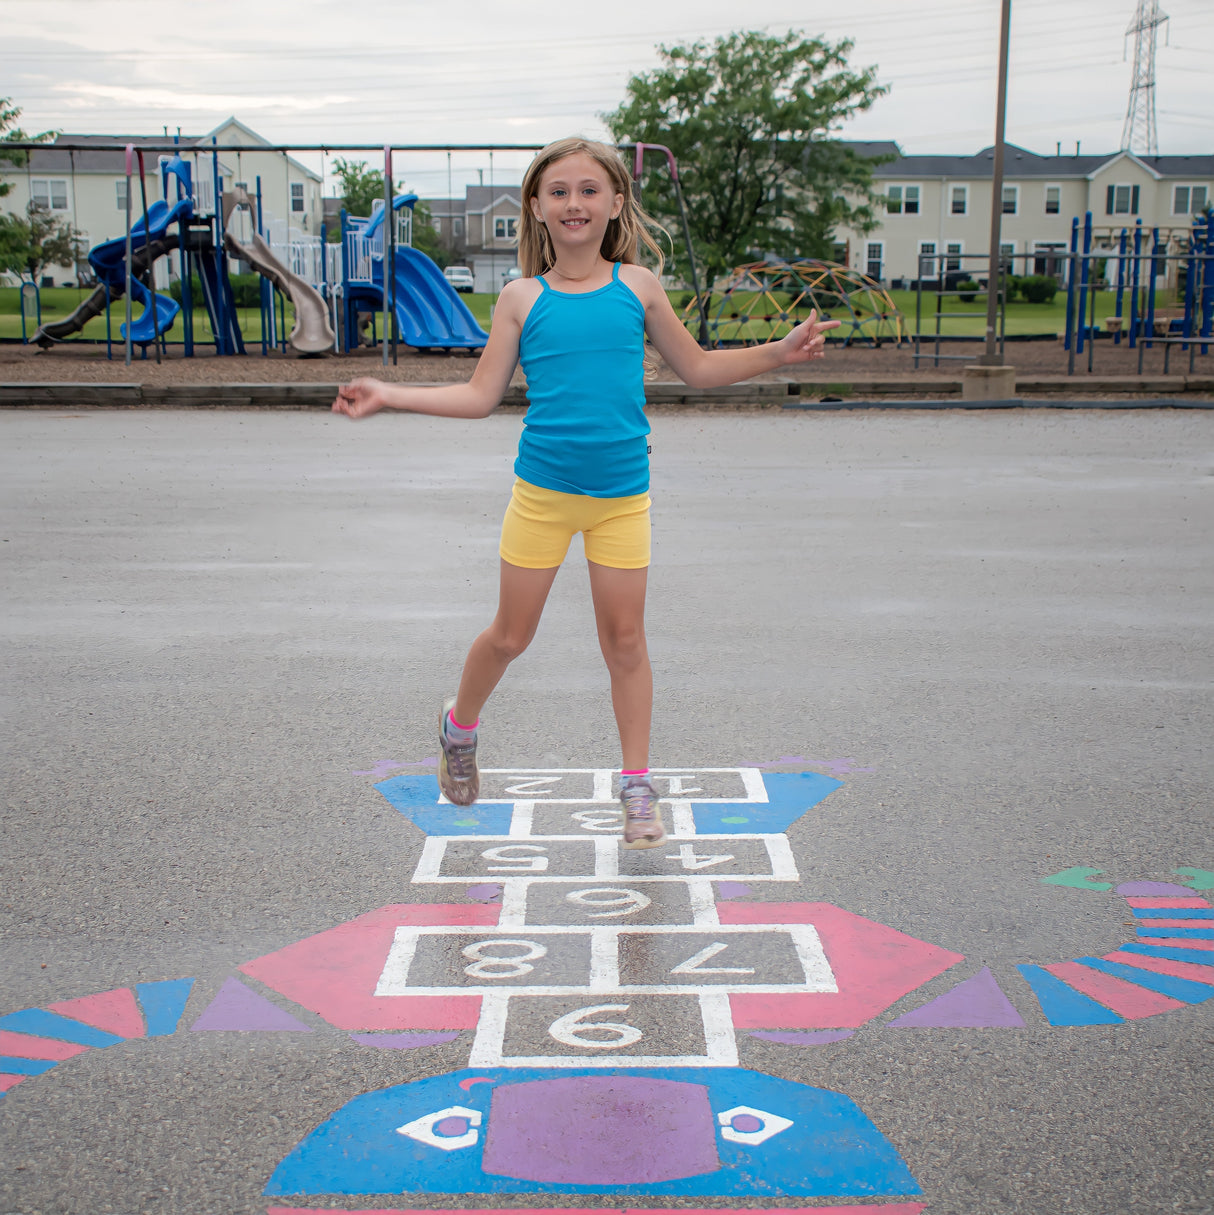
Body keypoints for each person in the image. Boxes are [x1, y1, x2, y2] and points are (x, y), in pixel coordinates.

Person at [332, 136, 839, 849]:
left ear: (616, 203)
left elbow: (696, 368)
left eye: (590, 190)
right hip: (542, 496)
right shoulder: (520, 298)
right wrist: (389, 393)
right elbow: (481, 397)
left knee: (625, 639)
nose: (575, 202)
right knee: (511, 635)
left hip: (622, 497)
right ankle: (460, 727)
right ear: (536, 208)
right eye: (559, 191)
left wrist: (779, 352)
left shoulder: (639, 287)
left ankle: (637, 784)